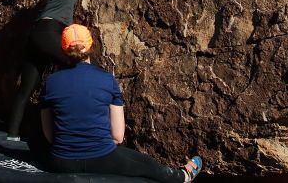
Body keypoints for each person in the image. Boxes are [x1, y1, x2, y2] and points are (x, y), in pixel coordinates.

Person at [41, 24, 202, 182]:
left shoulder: (51, 82)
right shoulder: (106, 79)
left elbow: (49, 136)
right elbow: (118, 137)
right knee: (146, 164)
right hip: (101, 157)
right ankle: (182, 176)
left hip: (62, 161)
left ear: (63, 50)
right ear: (92, 46)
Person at [7, 0, 117, 140]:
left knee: (25, 90)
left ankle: (11, 138)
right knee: (80, 71)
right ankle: (84, 131)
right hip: (52, 33)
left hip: (36, 35)